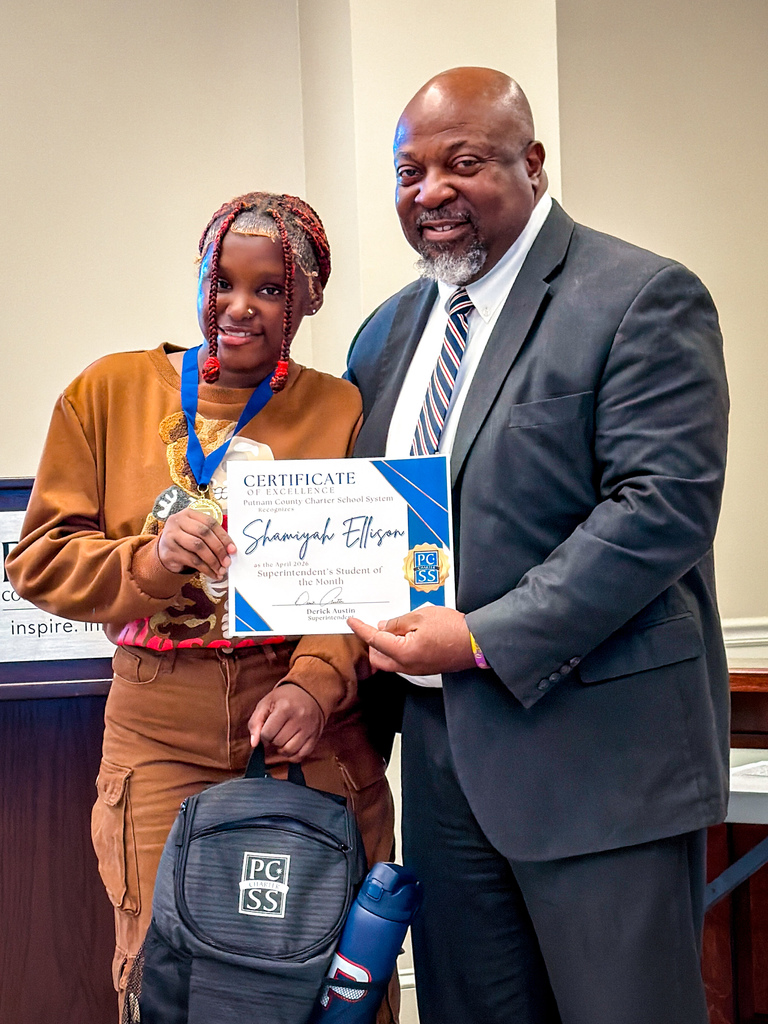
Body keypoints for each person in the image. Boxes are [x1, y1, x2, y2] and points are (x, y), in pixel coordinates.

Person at [346, 67, 729, 1024]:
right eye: (409, 172)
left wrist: (479, 637)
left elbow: (662, 508)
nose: (429, 192)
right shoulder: (386, 332)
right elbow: (364, 514)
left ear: (533, 163)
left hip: (600, 761)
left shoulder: (640, 295)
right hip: (440, 764)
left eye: (462, 162)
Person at [6, 192, 396, 1023]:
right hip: (157, 719)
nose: (238, 308)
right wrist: (149, 558)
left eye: (269, 289)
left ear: (309, 300)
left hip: (300, 718)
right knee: (162, 969)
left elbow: (368, 573)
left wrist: (319, 683)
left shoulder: (341, 408)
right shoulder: (107, 392)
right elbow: (37, 560)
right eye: (222, 281)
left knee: (329, 973)